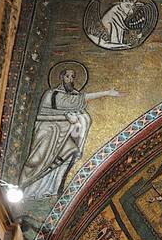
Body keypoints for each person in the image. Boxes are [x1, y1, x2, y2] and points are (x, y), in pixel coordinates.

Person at [16, 67, 119, 199]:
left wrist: (75, 118)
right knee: (37, 160)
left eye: (73, 77)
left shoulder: (75, 95)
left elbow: (79, 109)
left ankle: (52, 191)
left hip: (65, 135)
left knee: (66, 157)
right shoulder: (51, 94)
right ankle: (28, 191)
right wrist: (106, 93)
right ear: (61, 78)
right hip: (49, 133)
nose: (70, 79)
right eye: (67, 76)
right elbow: (69, 104)